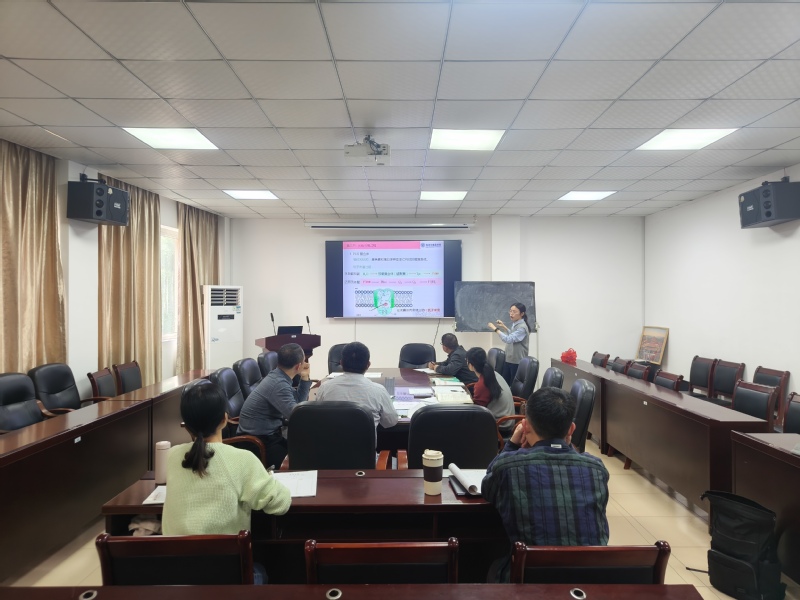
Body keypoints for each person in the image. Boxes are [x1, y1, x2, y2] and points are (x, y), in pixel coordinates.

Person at [162, 382, 291, 583]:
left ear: (185, 425)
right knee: (266, 570)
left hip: (177, 577)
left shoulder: (171, 456)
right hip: (227, 577)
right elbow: (280, 504)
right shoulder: (241, 459)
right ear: (225, 419)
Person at [482, 386, 610, 583]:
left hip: (529, 579)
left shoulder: (508, 465)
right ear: (571, 429)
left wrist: (511, 446)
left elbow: (488, 489)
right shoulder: (597, 468)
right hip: (589, 580)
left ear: (525, 427)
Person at [237, 343, 311, 469]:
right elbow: (296, 417)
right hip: (256, 442)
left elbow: (298, 403)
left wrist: (305, 377)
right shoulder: (278, 384)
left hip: (268, 434)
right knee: (299, 461)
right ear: (298, 366)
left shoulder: (279, 376)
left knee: (303, 450)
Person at [315, 341, 398, 441]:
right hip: (365, 451)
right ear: (368, 365)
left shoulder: (324, 388)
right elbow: (390, 422)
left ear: (341, 363)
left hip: (329, 449)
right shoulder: (379, 390)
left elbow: (318, 418)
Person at [466, 347, 514, 429]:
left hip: (500, 425)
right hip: (508, 419)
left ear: (470, 365)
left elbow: (477, 411)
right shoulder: (492, 373)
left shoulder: (482, 384)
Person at [488, 302, 530, 385]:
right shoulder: (515, 324)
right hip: (509, 359)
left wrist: (495, 329)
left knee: (512, 386)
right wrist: (504, 327)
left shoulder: (522, 327)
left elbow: (508, 339)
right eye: (510, 311)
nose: (511, 314)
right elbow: (512, 335)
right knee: (505, 384)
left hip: (517, 362)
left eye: (514, 312)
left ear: (522, 314)